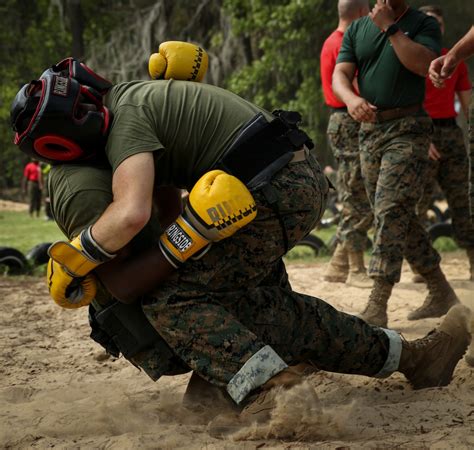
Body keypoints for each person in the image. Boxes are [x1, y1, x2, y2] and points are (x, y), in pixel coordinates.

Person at [10, 50, 471, 428]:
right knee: (267, 314)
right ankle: (415, 358)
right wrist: (186, 232)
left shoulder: (125, 119)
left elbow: (132, 214)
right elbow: (168, 205)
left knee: (175, 300)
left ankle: (272, 389)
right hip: (279, 182)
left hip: (273, 189)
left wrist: (78, 255)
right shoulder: (135, 105)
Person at [332, 0, 459, 327]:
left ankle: (378, 301)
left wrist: (390, 27)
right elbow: (340, 74)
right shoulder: (358, 27)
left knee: (390, 208)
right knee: (394, 212)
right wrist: (351, 99)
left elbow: (424, 65)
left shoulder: (421, 23)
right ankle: (440, 288)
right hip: (369, 131)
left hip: (409, 128)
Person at [414, 6, 473, 282]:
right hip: (421, 133)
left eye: (438, 23)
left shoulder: (455, 57)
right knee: (419, 203)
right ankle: (423, 269)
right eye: (429, 23)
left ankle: (473, 262)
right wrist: (420, 138)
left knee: (463, 200)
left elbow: (466, 100)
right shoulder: (413, 57)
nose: (435, 27)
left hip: (451, 133)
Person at [320, 0, 373, 287]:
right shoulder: (341, 43)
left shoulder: (335, 40)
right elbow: (348, 86)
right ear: (363, 13)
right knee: (357, 193)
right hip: (349, 118)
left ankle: (339, 265)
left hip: (348, 118)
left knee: (359, 192)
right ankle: (355, 269)